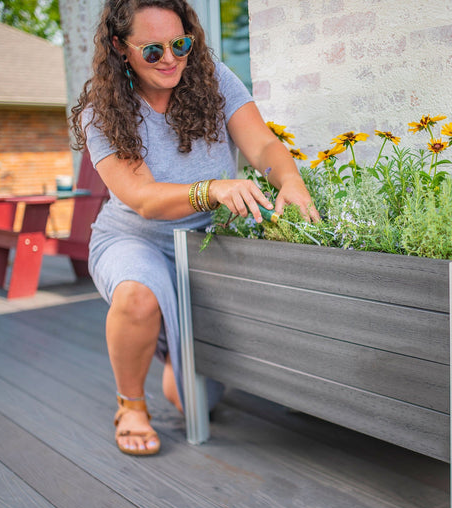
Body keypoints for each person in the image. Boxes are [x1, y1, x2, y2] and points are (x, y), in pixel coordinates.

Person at [69, 0, 319, 456]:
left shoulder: (212, 77)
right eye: (152, 51)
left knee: (194, 401)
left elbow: (262, 144)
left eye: (180, 44)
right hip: (135, 239)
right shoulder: (101, 111)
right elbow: (142, 198)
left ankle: (171, 347)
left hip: (208, 242)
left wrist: (292, 182)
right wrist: (212, 188)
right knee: (138, 296)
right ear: (121, 48)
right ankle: (130, 404)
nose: (170, 59)